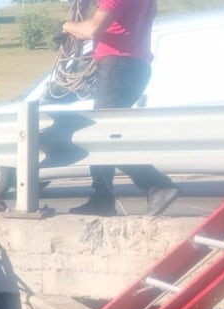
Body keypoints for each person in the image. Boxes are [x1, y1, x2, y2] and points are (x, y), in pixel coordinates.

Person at [61, 0, 180, 217]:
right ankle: (102, 198)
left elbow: (90, 29)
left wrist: (67, 26)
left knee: (101, 136)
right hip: (133, 66)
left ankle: (157, 184)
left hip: (118, 66)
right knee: (106, 134)